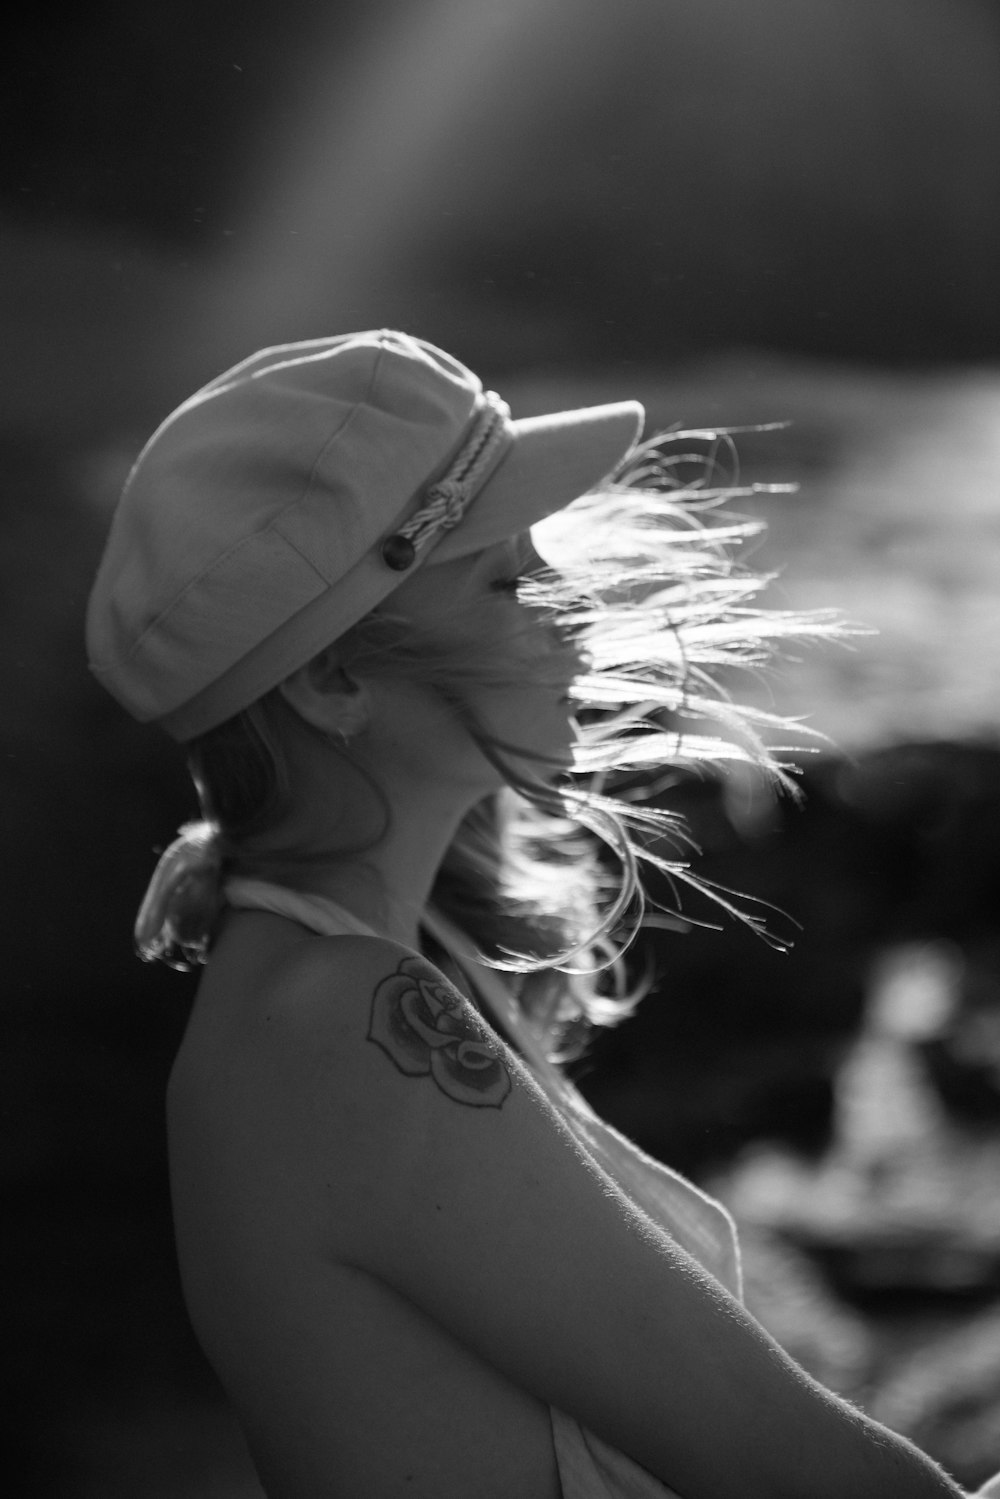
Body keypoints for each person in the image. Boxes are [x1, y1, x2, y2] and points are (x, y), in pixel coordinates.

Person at [87, 330, 997, 1498]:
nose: (569, 606)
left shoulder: (361, 972)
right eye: (511, 580)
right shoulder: (346, 1025)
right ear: (332, 682)